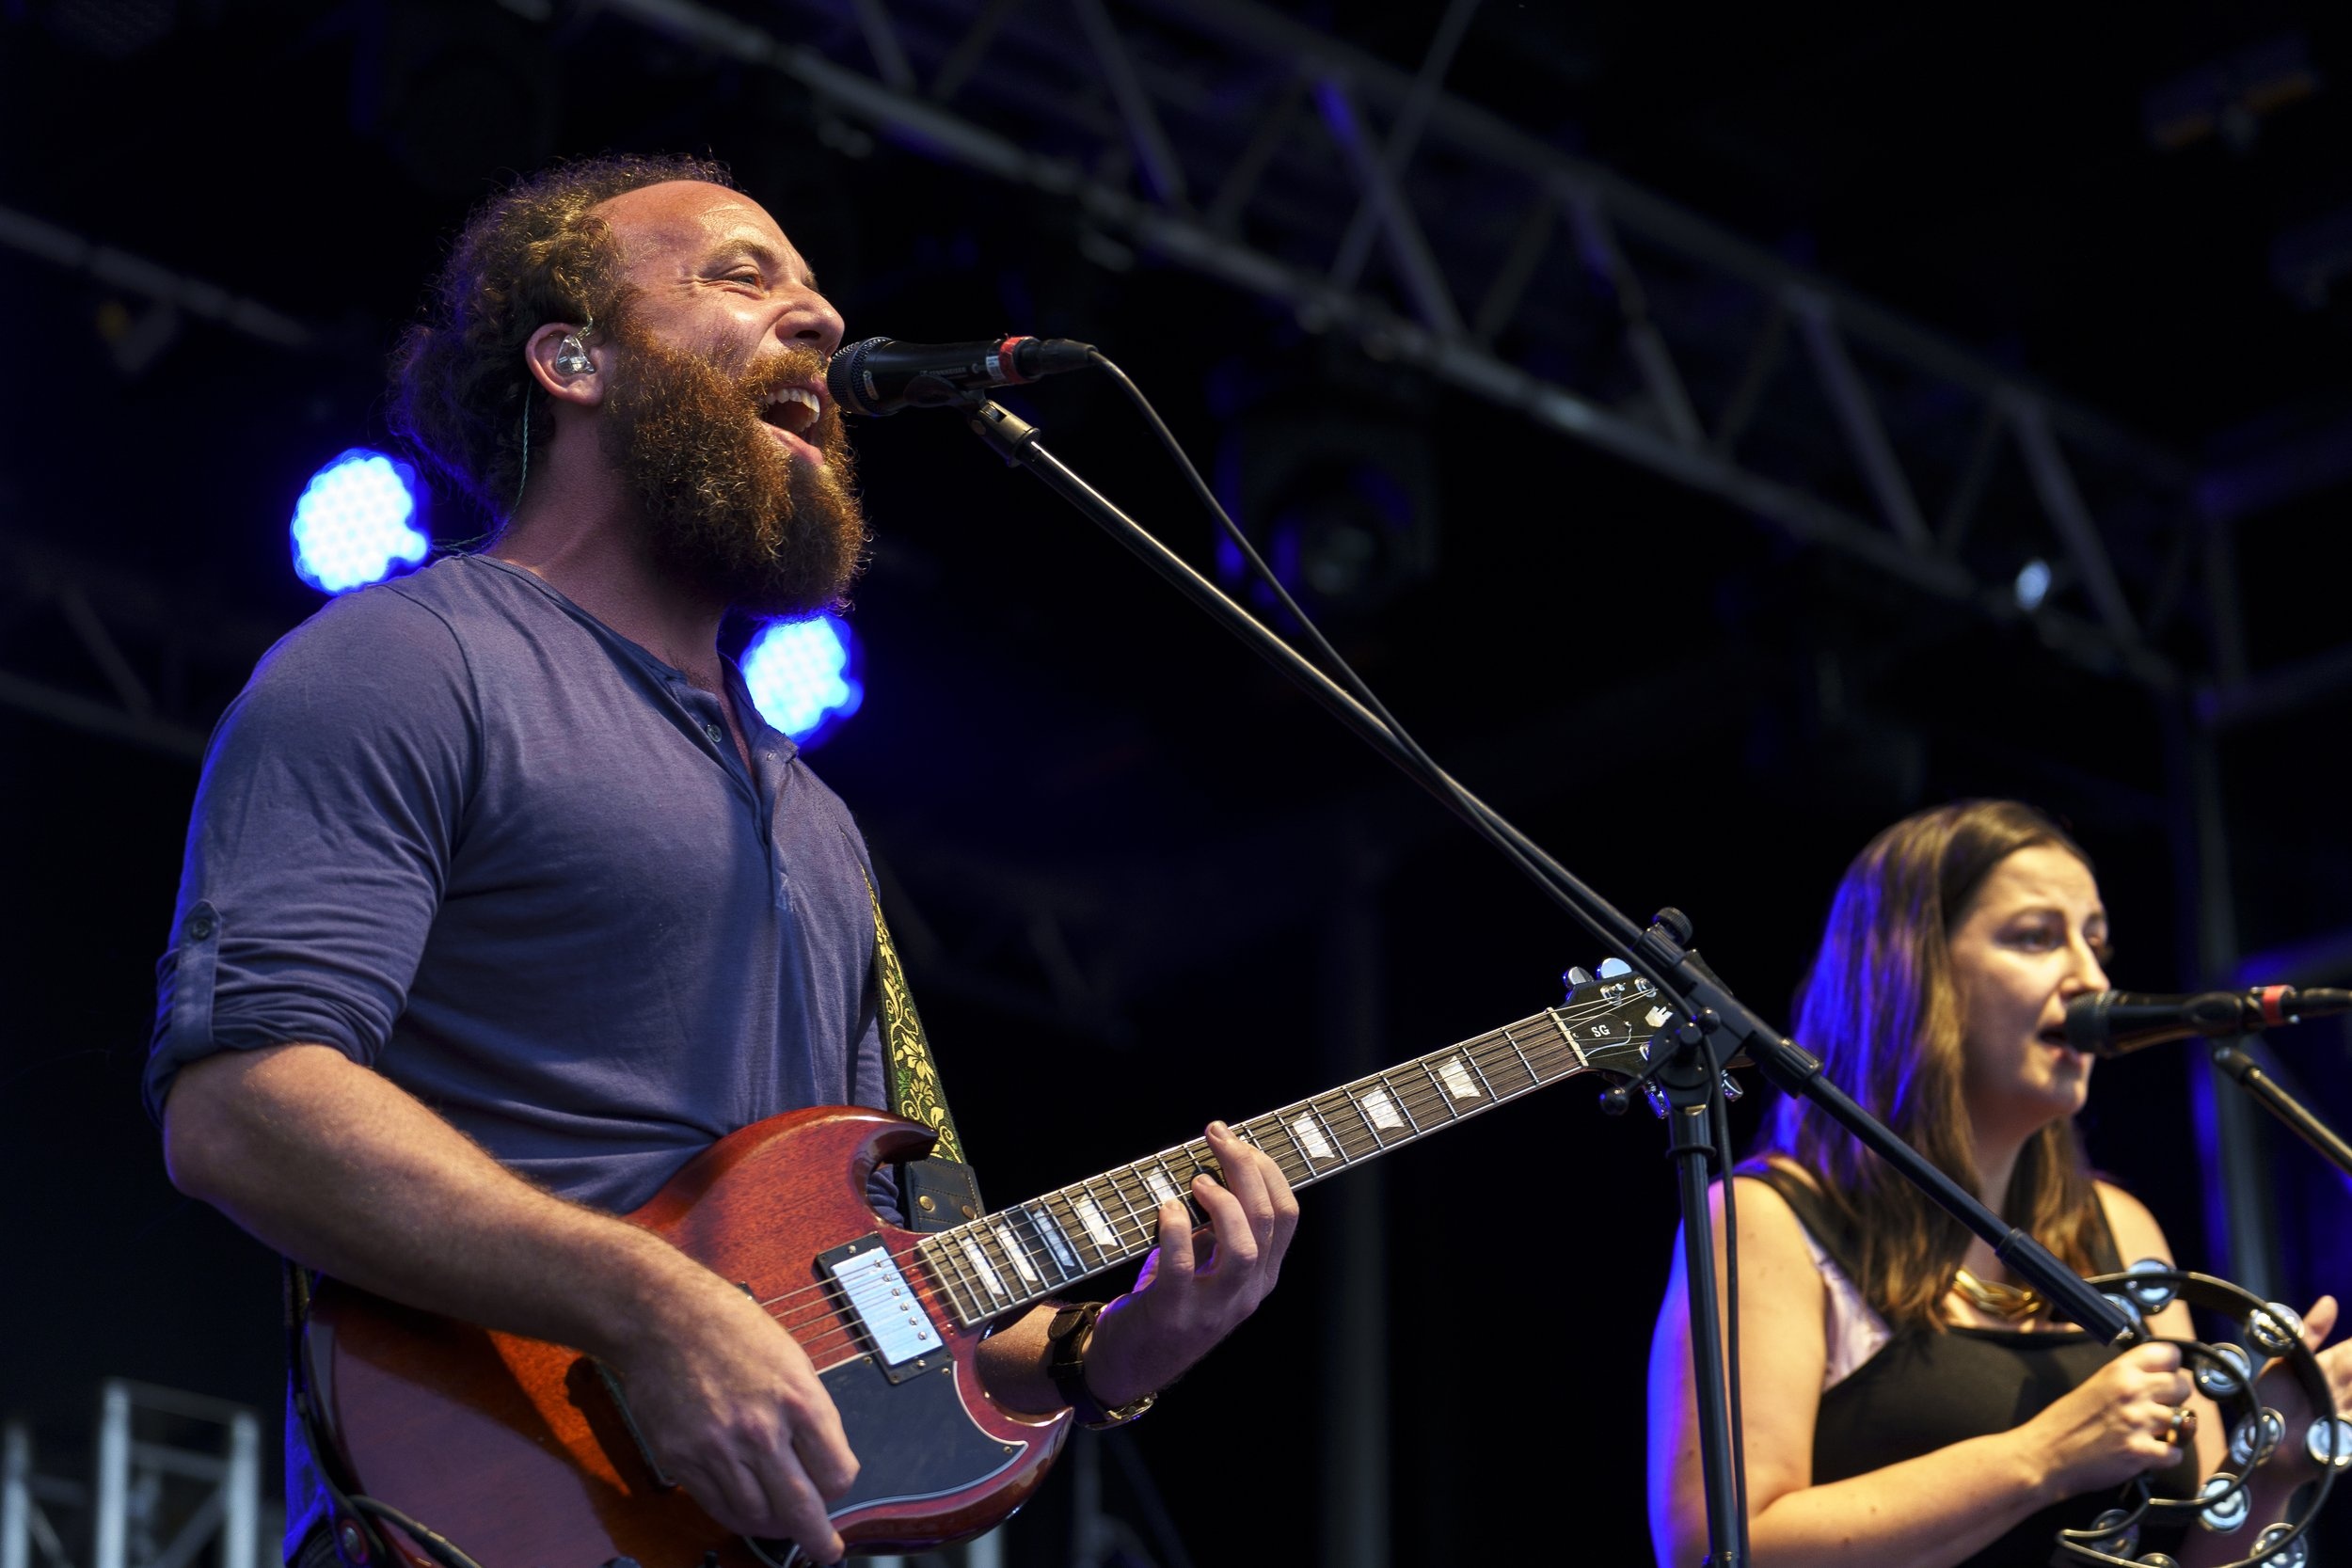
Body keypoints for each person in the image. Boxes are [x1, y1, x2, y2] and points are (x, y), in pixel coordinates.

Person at [147, 154, 1299, 1568]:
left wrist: (1118, 1347)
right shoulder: (407, 660)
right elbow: (242, 1106)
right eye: (743, 276)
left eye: (816, 291)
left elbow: (882, 1305)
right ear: (572, 360)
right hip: (476, 1516)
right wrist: (647, 1298)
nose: (815, 318)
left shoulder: (819, 820)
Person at [1645, 799, 2352, 1568]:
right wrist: (2041, 1458)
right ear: (1913, 974)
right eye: (2037, 938)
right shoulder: (1766, 1220)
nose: (2091, 976)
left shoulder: (2118, 1225)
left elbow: (2189, 1558)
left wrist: (2275, 1457)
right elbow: (1715, 1546)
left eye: (2097, 942)